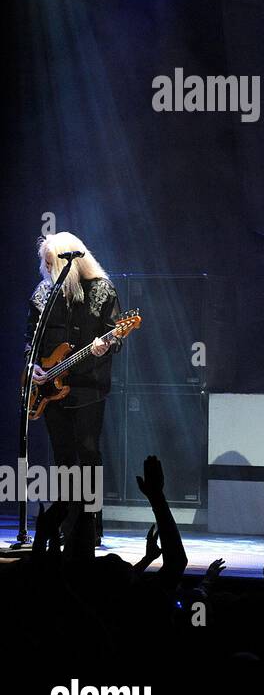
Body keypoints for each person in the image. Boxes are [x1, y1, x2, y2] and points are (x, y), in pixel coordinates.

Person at [24, 232, 123, 545]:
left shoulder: (101, 290)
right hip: (50, 389)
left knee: (89, 453)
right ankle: (67, 522)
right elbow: (30, 339)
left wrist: (104, 347)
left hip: (87, 387)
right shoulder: (43, 292)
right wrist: (33, 366)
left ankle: (91, 526)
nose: (47, 268)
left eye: (52, 262)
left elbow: (116, 335)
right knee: (63, 455)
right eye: (46, 263)